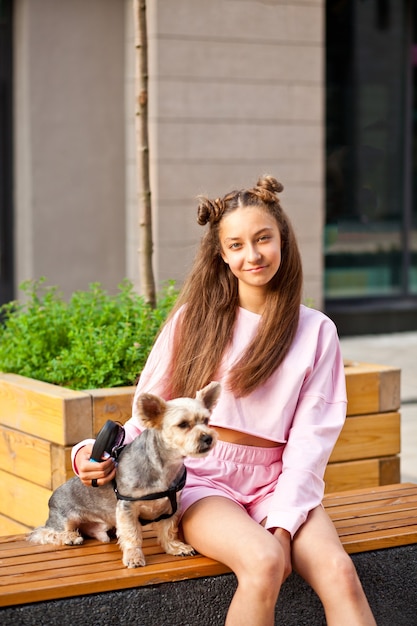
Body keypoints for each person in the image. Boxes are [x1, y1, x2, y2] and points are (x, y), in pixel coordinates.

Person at [72, 176, 376, 626]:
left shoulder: (316, 330)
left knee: (339, 572)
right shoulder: (192, 322)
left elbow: (311, 441)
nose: (251, 255)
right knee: (265, 562)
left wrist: (284, 524)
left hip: (279, 480)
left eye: (262, 239)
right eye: (235, 244)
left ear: (283, 240)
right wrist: (87, 453)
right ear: (222, 254)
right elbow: (150, 416)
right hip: (199, 479)